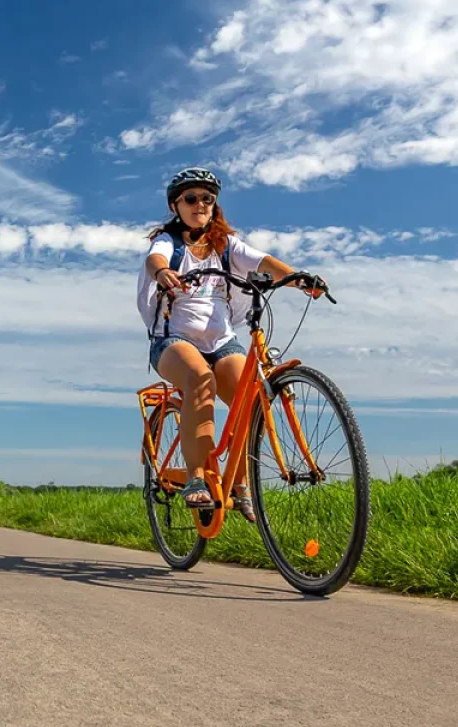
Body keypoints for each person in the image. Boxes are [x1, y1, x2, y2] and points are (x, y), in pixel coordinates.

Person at [137, 167, 326, 518]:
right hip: (173, 341)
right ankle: (195, 478)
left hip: (221, 343)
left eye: (207, 199)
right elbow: (155, 258)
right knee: (199, 380)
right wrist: (163, 273)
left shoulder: (225, 246)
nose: (200, 204)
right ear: (176, 205)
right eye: (191, 198)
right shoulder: (170, 242)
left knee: (253, 397)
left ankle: (238, 483)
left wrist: (300, 279)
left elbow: (262, 261)